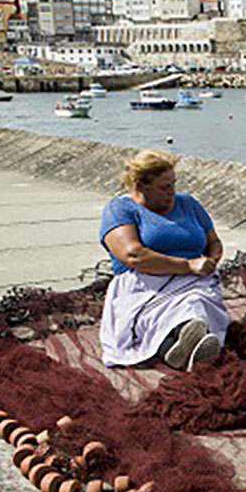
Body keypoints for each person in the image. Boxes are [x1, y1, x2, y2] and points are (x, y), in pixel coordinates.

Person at [99, 150, 229, 370]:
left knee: (195, 301)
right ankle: (185, 339)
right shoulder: (120, 209)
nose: (172, 192)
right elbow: (134, 255)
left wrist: (212, 260)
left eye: (173, 185)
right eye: (164, 187)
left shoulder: (188, 204)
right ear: (141, 186)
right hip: (144, 284)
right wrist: (187, 265)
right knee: (170, 311)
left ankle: (180, 346)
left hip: (193, 280)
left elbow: (213, 242)